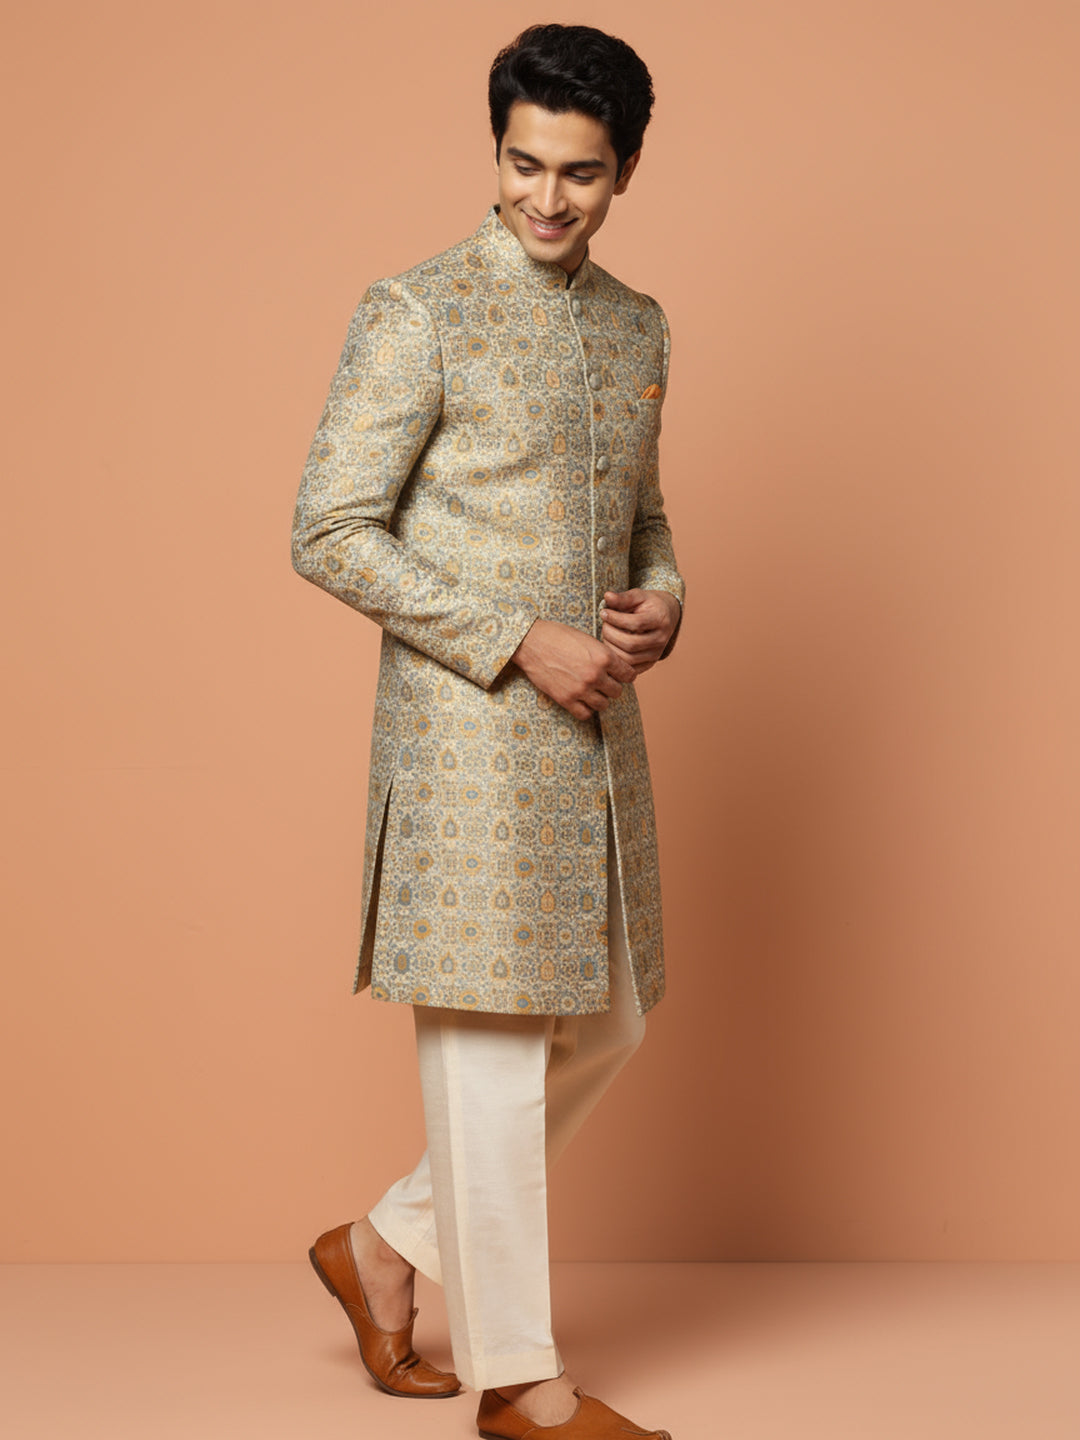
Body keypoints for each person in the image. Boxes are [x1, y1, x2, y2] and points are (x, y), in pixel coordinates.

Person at [292, 23, 684, 1440]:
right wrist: (519, 634)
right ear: (497, 151)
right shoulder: (418, 310)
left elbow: (646, 521)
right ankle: (522, 1383)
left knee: (614, 1017)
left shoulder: (637, 324)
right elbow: (329, 529)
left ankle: (385, 1246)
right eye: (525, 164)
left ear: (623, 170)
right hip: (466, 751)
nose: (546, 197)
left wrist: (664, 603)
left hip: (595, 747)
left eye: (580, 173)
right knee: (491, 1065)